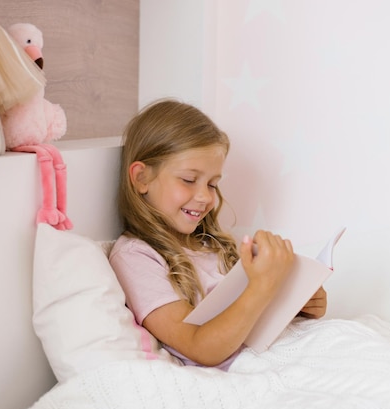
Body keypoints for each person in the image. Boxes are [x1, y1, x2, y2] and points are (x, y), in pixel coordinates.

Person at [109, 99, 327, 370]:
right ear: (142, 178)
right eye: (189, 180)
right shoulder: (136, 257)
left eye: (212, 184)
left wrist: (297, 302)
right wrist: (262, 286)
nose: (204, 196)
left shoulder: (210, 244)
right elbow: (201, 347)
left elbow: (251, 319)